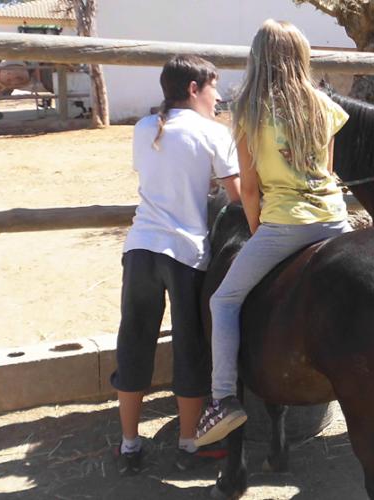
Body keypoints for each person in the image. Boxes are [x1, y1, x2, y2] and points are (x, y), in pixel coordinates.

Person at [194, 19, 352, 447]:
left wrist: (258, 231)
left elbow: (248, 187)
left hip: (285, 224)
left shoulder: (248, 109)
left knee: (223, 301)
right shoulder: (323, 105)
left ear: (257, 58)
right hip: (336, 219)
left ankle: (223, 398)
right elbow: (329, 173)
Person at [113, 55, 241, 475]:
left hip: (140, 248)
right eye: (214, 87)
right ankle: (189, 443)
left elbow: (158, 176)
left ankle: (129, 443)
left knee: (134, 340)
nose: (219, 96)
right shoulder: (214, 134)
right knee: (190, 347)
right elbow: (237, 198)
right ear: (194, 89)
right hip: (187, 255)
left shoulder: (144, 127)